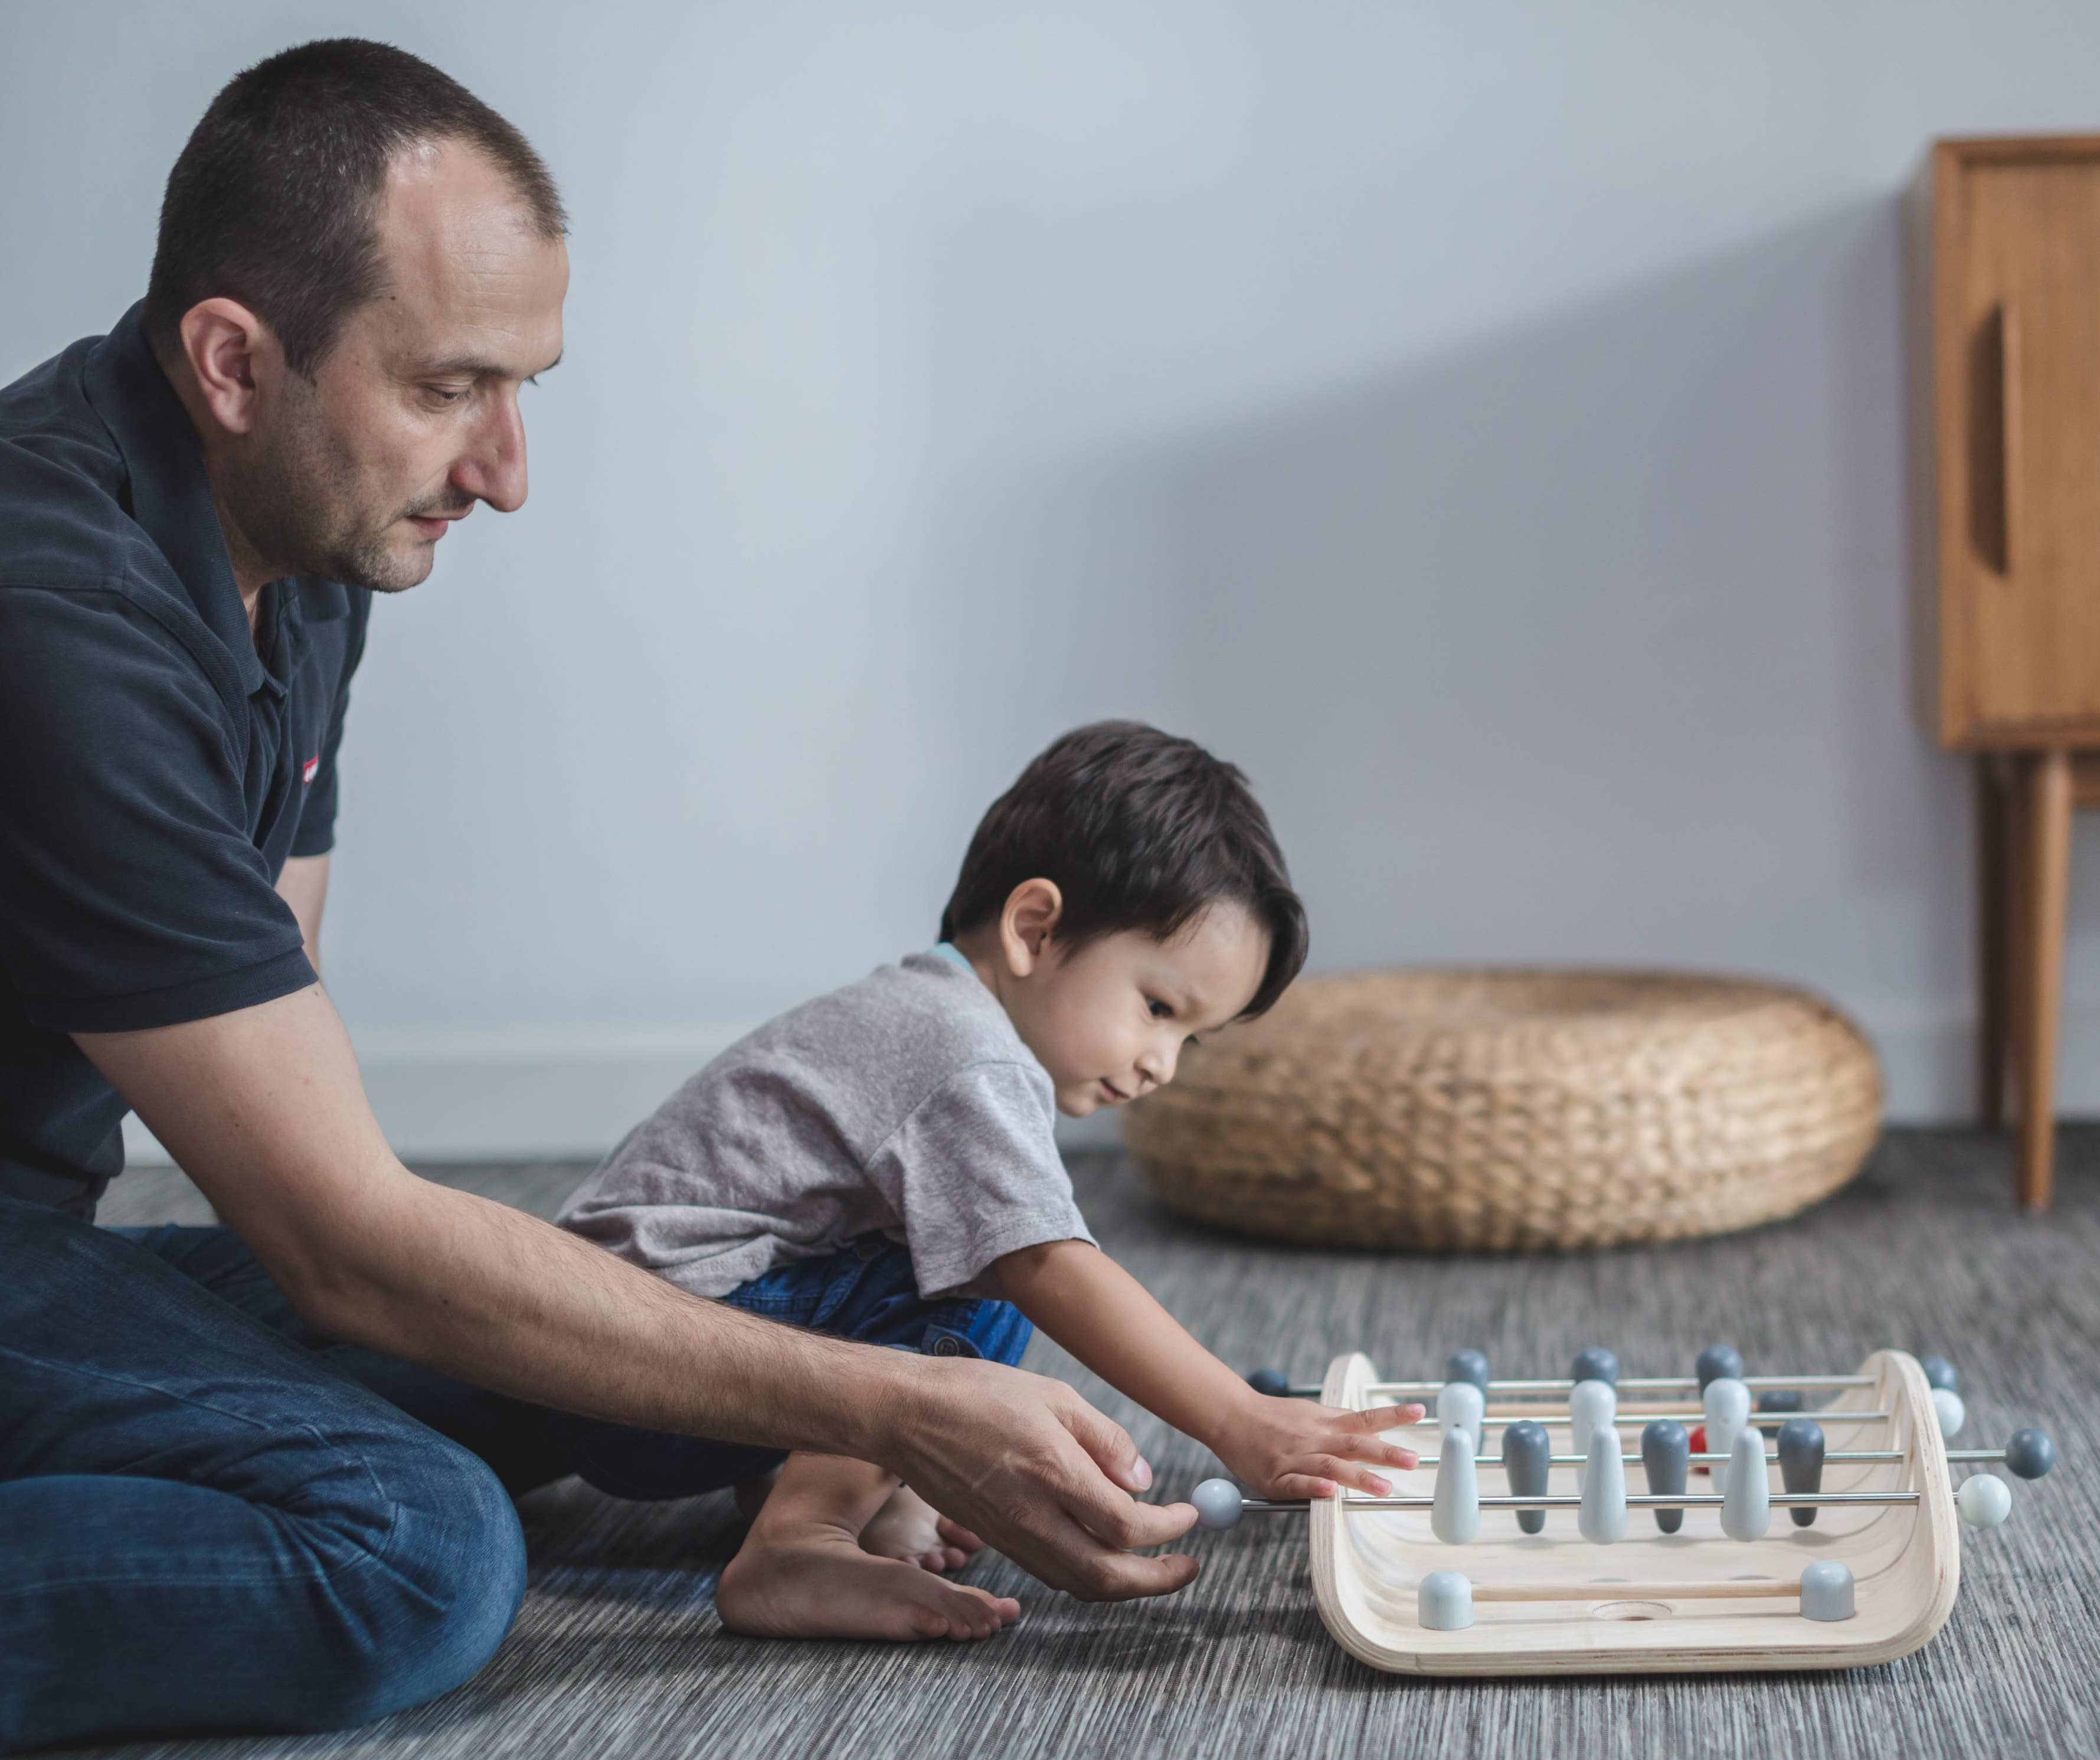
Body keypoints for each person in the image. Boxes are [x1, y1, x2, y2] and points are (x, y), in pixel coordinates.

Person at [0, 41, 1197, 1752]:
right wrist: (900, 1412)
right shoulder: (56, 622)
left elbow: (278, 1098)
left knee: (671, 1328)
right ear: (233, 363)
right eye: (448, 387)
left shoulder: (303, 536)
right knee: (420, 1548)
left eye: (524, 388)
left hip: (36, 1235)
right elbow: (344, 1242)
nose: (504, 470)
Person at [555, 721, 1422, 1640]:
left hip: (612, 1362)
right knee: (989, 1283)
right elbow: (1048, 1265)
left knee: (942, 1243)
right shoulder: (965, 1050)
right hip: (649, 1366)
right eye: (1158, 1007)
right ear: (1034, 928)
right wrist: (1241, 1418)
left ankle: (810, 1486)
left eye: (1190, 1037)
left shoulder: (918, 1009)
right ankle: (799, 1538)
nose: (1165, 1062)